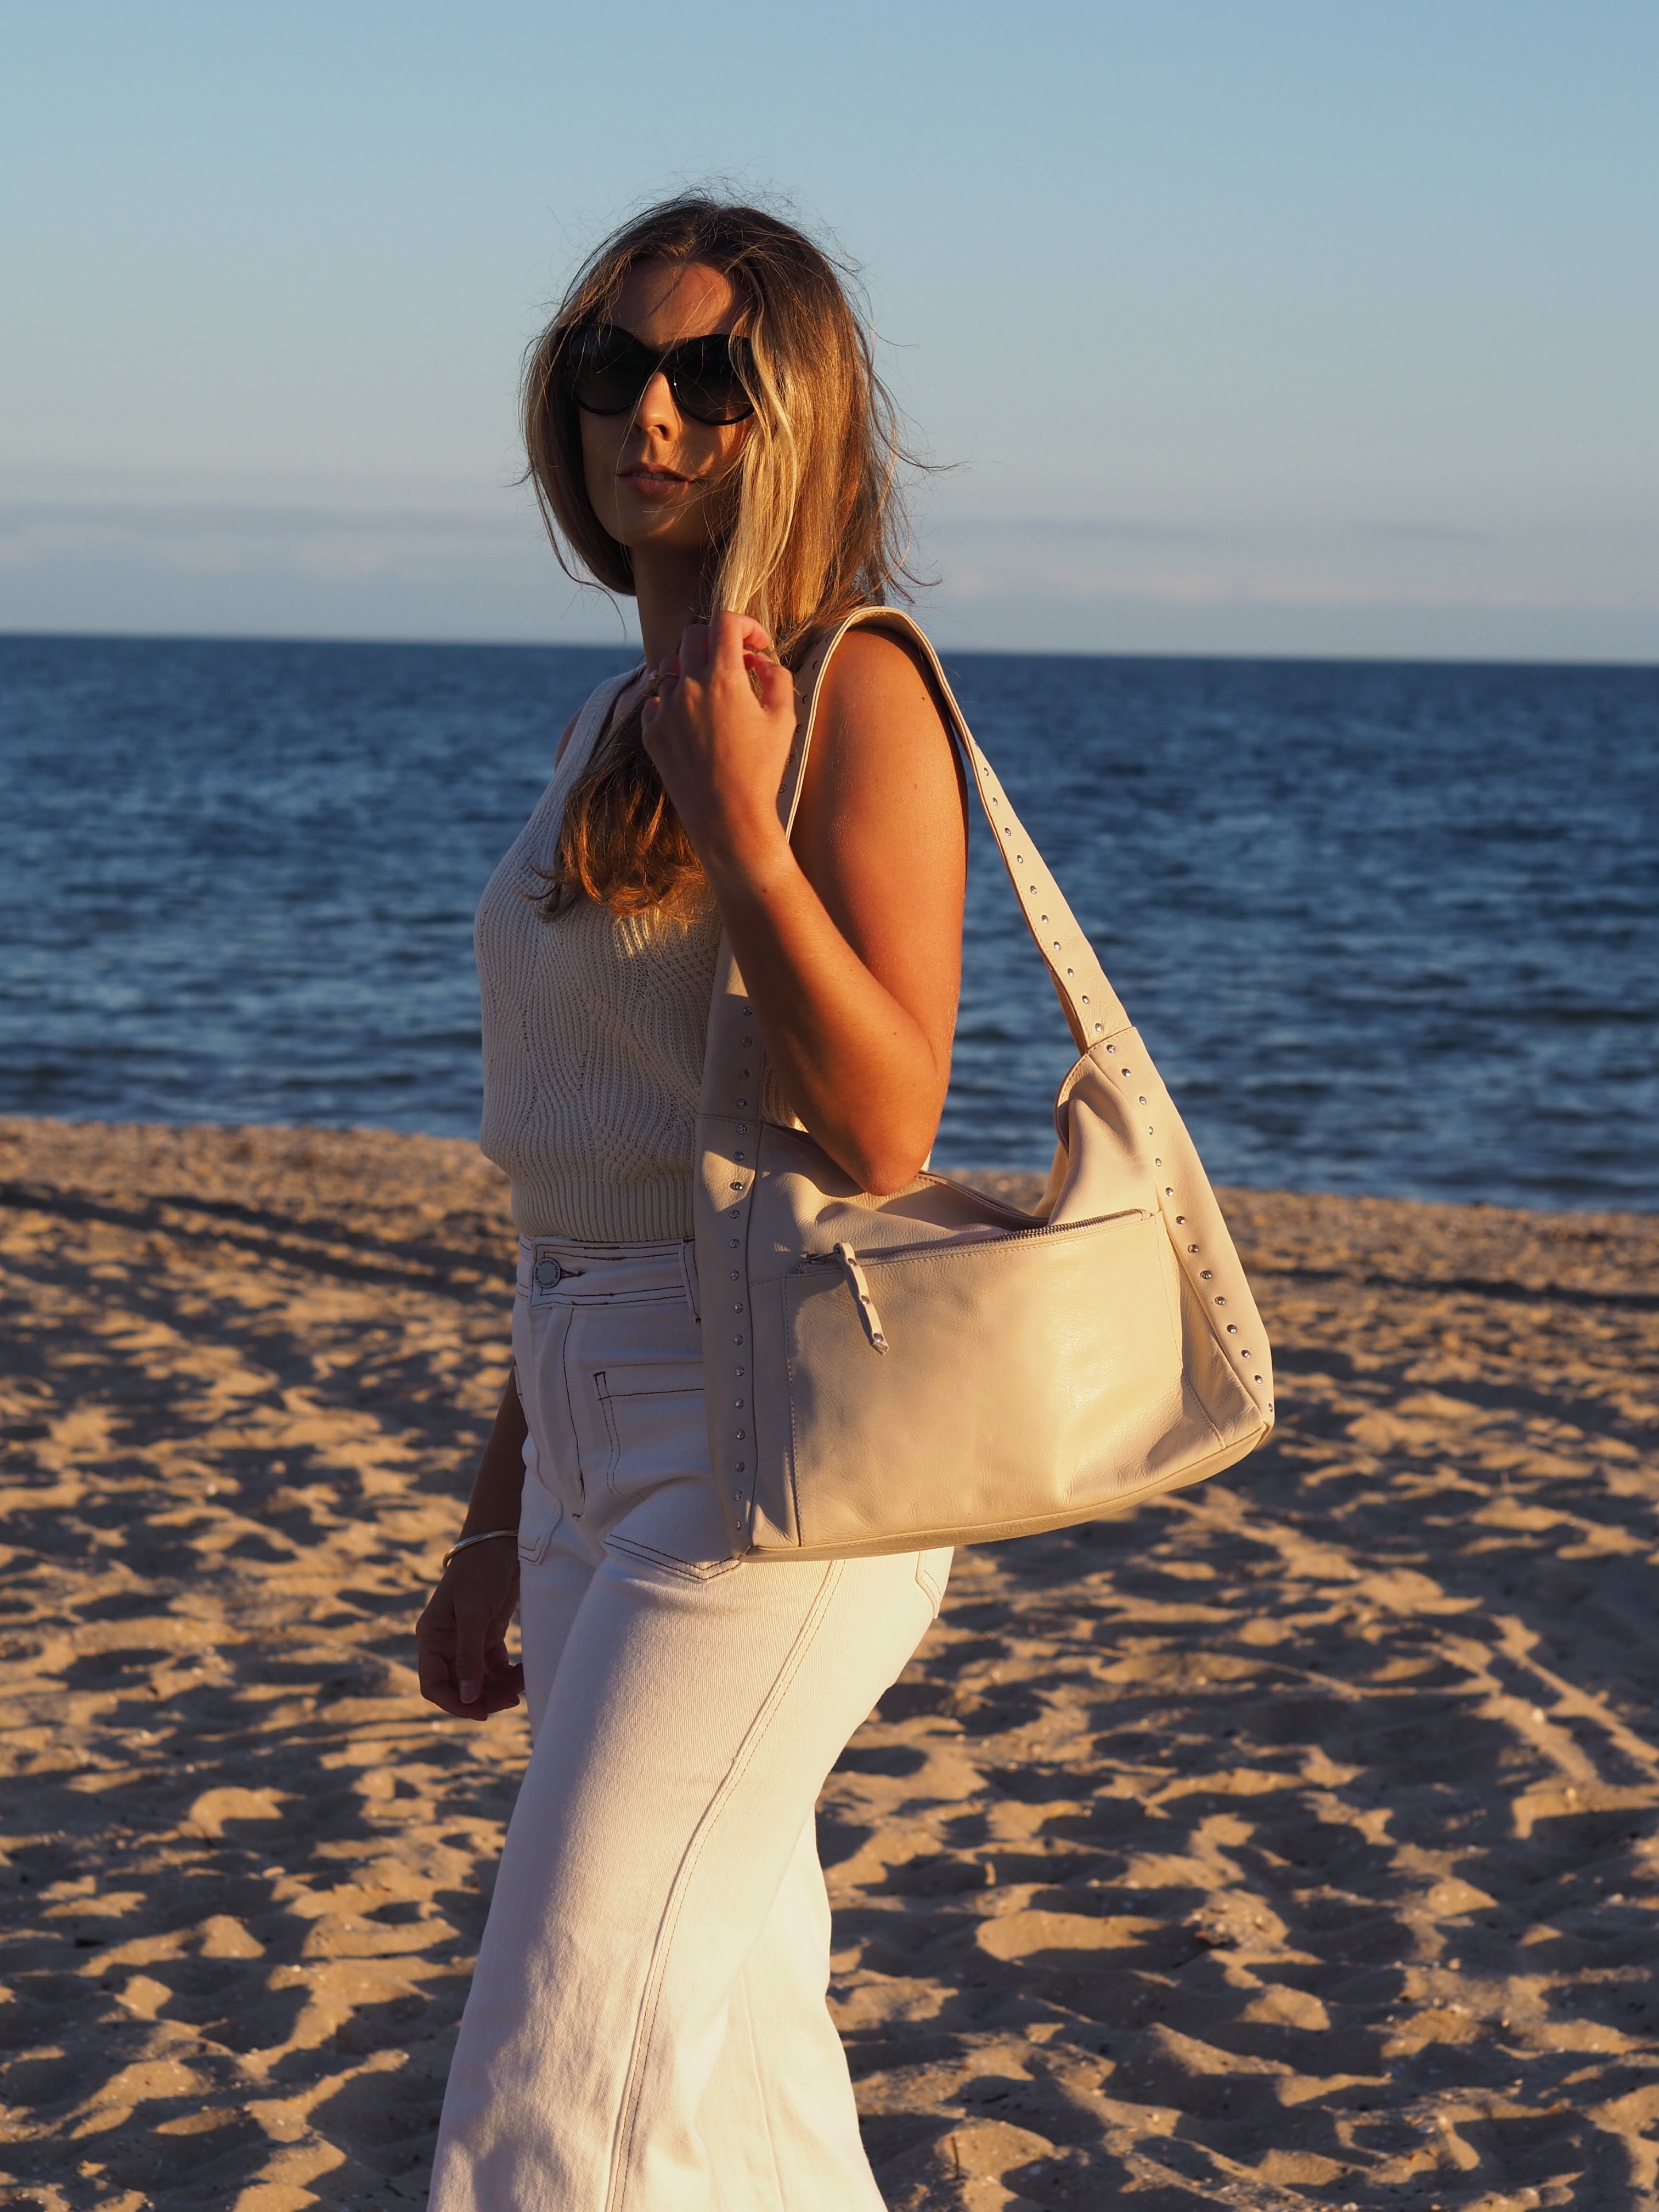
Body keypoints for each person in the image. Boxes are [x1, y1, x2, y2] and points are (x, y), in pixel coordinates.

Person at [416, 193, 967, 2211]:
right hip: (587, 1414)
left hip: (761, 1453)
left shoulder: (853, 695)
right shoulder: (606, 723)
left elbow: (887, 1123)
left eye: (708, 377)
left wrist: (746, 827)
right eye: (609, 368)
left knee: (554, 2073)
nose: (647, 415)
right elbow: (596, 1168)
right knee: (731, 2072)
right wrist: (498, 1509)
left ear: (793, 411)